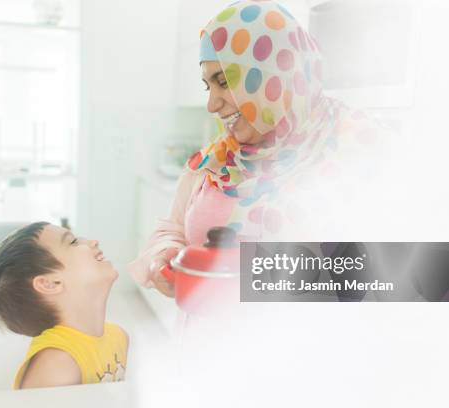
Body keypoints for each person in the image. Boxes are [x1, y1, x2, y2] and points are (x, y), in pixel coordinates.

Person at [129, 0, 384, 297]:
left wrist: (240, 277)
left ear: (274, 72)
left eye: (223, 82)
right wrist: (168, 252)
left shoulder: (357, 144)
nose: (211, 104)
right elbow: (172, 226)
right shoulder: (217, 158)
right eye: (207, 86)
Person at [0, 222, 128, 389]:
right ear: (50, 283)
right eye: (73, 242)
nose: (93, 241)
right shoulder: (58, 362)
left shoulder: (118, 337)